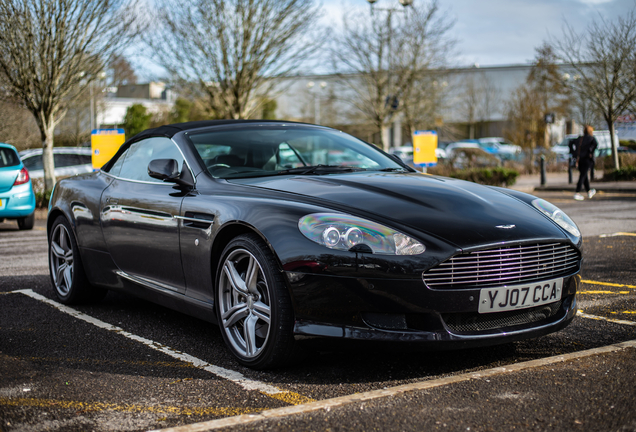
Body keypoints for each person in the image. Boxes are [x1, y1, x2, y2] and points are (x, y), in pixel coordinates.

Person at [574, 125, 598, 201]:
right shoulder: (591, 139)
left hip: (580, 159)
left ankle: (589, 191)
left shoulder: (580, 138)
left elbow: (571, 143)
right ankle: (577, 192)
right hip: (587, 159)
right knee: (583, 175)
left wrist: (574, 152)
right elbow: (595, 145)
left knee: (584, 176)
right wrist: (590, 151)